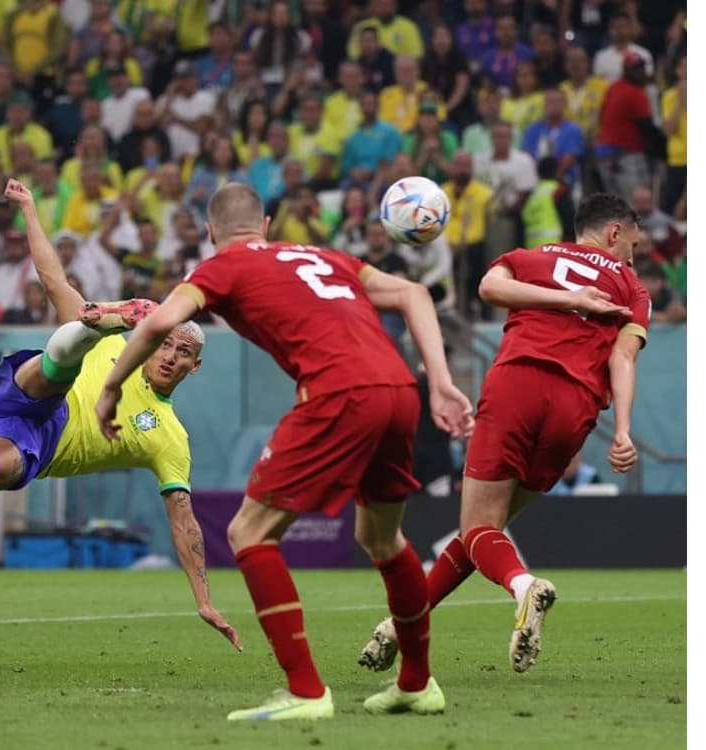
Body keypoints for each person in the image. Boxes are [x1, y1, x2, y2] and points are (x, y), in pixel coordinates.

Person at [95, 182, 474, 720]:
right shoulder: (323, 255)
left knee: (248, 533)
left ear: (210, 233)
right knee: (382, 538)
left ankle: (306, 691)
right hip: (397, 389)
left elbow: (160, 321)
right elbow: (414, 293)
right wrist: (438, 382)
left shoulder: (220, 268)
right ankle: (416, 683)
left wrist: (110, 387)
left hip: (340, 392)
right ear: (267, 226)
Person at [0, 178, 240, 651]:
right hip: (31, 388)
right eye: (164, 342)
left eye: (182, 352)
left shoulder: (170, 438)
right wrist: (30, 209)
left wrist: (204, 599)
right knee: (67, 353)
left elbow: (184, 520)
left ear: (194, 366)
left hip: (33, 444)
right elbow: (53, 279)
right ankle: (105, 318)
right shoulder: (119, 351)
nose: (169, 356)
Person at [357, 193, 650, 676]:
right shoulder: (633, 289)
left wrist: (564, 297)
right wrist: (621, 430)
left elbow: (490, 288)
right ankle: (398, 627)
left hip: (518, 384)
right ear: (614, 233)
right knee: (483, 530)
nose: (632, 259)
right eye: (633, 246)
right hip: (573, 410)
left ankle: (522, 586)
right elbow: (623, 357)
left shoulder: (532, 257)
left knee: (478, 529)